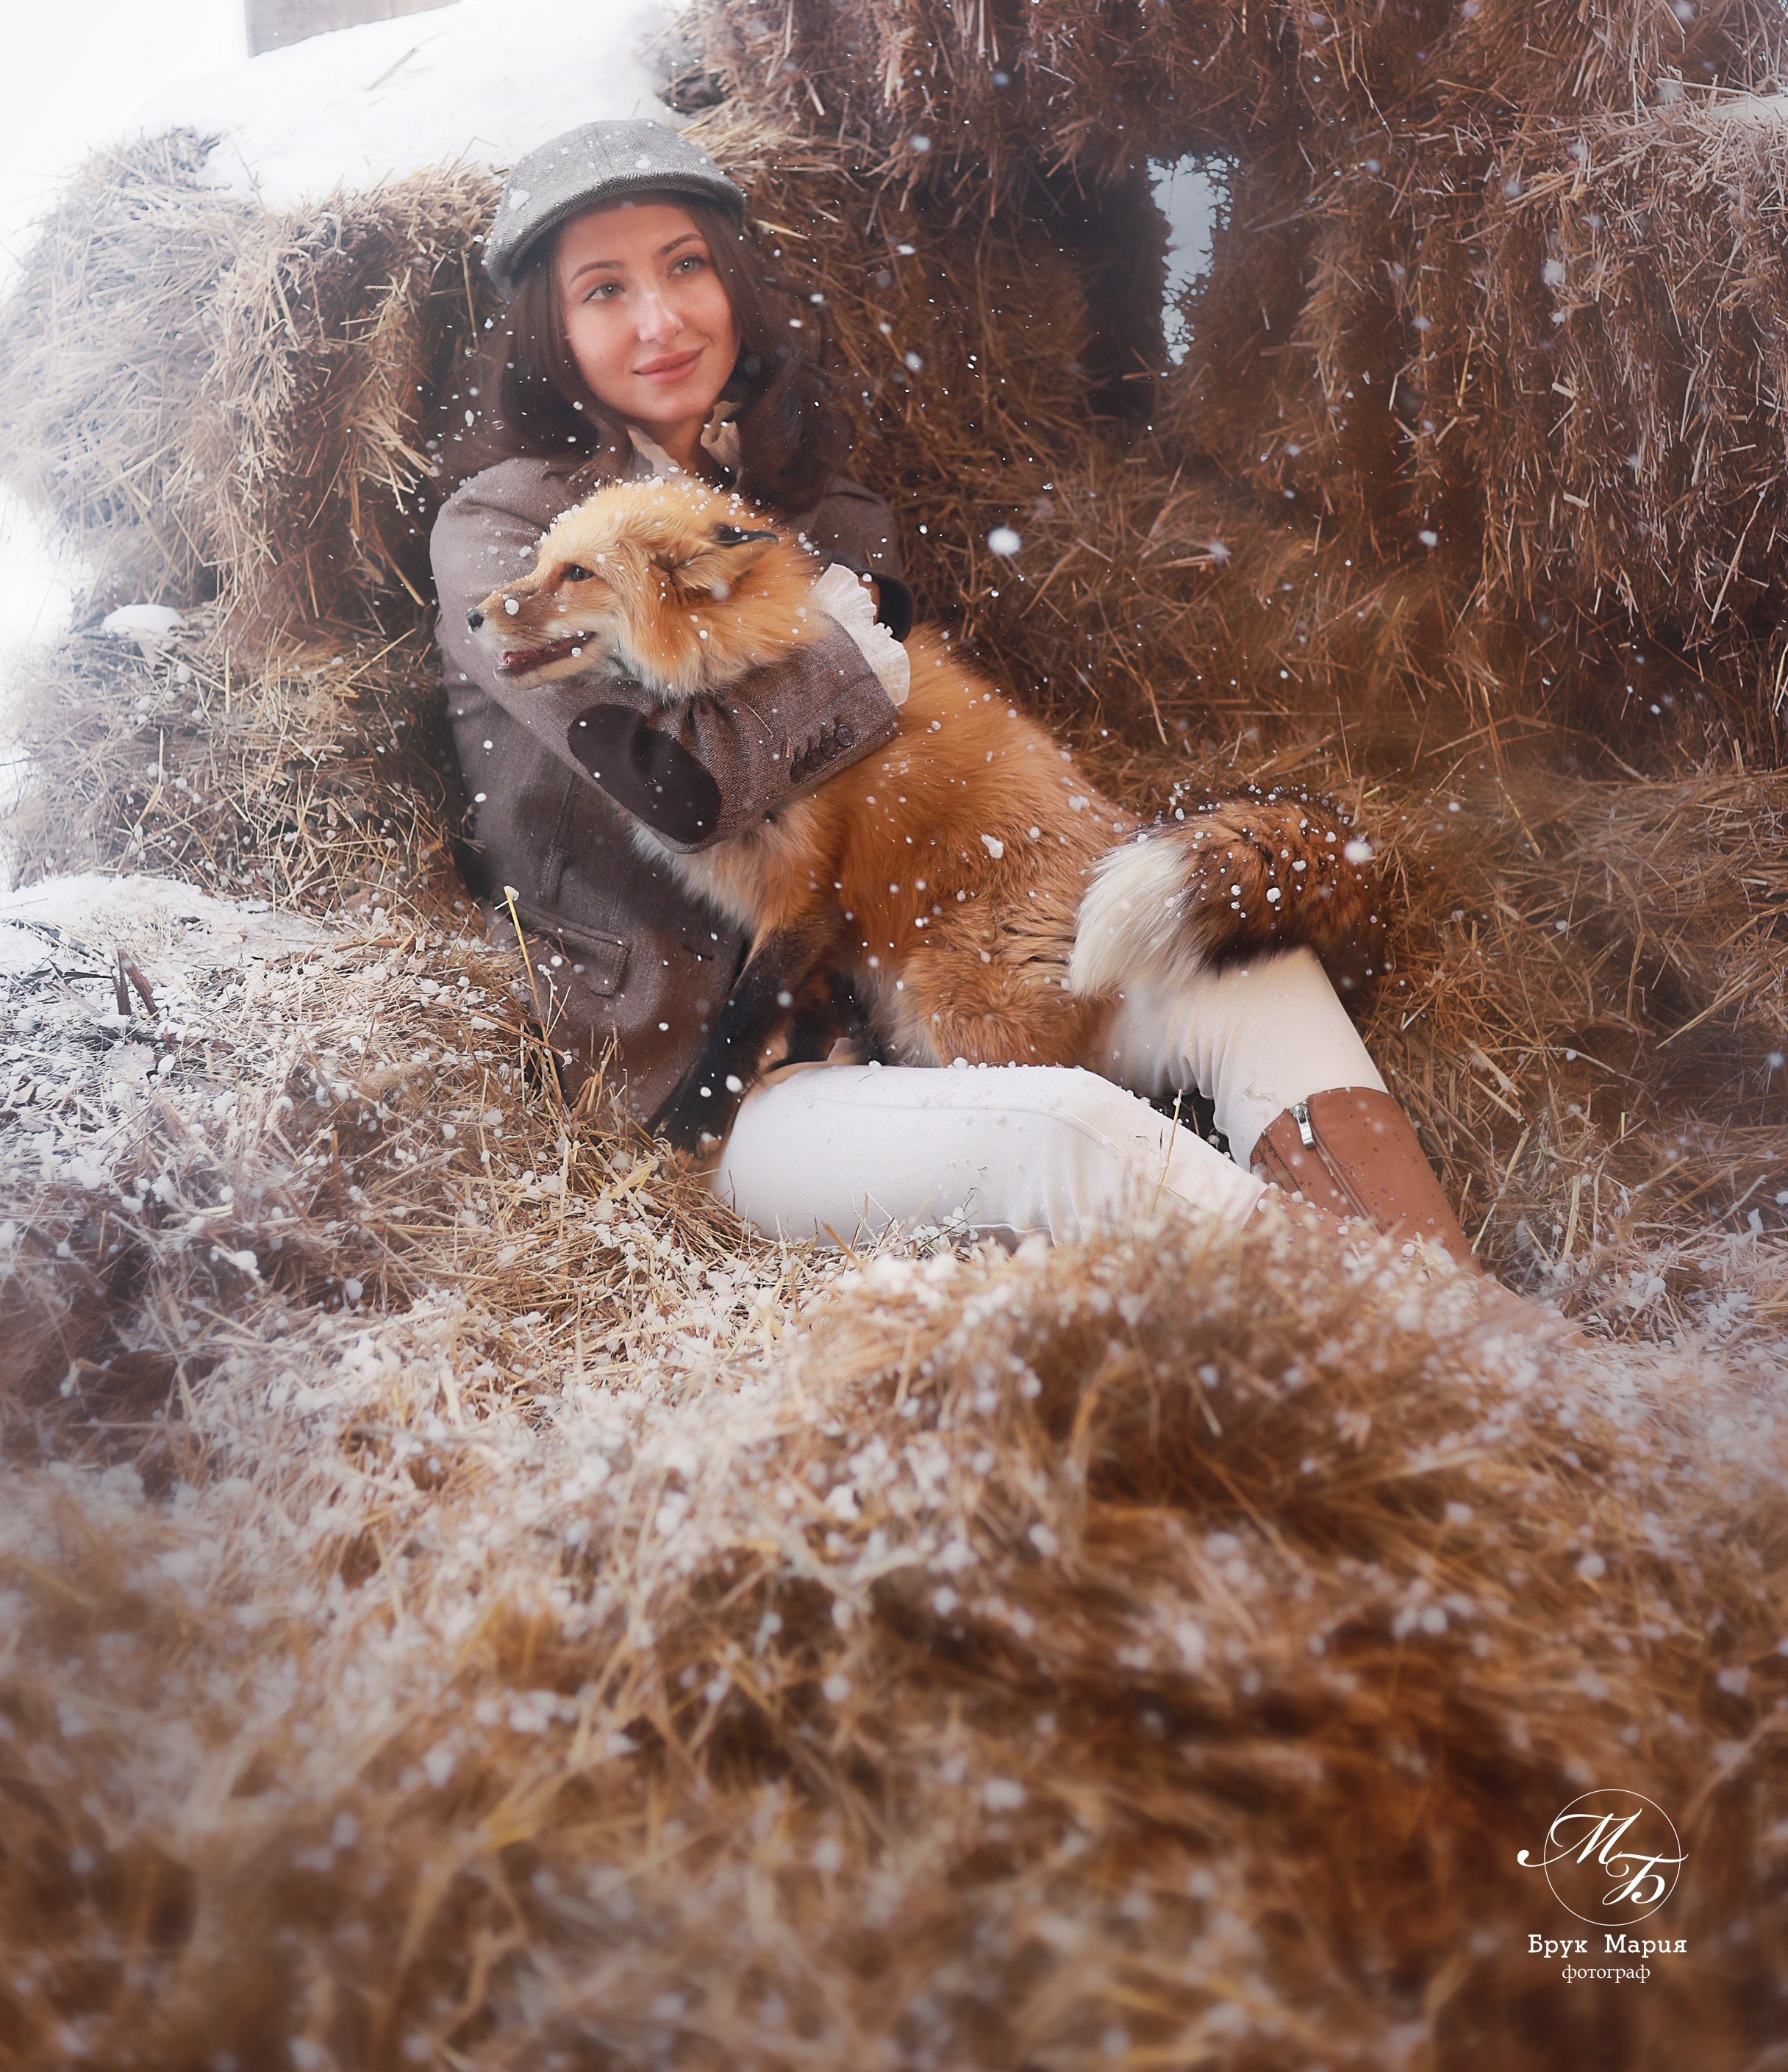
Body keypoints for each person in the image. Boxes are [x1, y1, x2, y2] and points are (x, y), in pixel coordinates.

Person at [430, 120, 1478, 1266]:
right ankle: (1430, 1338)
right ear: (549, 331)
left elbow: (863, 743)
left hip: (904, 982)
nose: (661, 319)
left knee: (1268, 982)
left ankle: (1445, 1314)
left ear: (734, 279)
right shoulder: (505, 536)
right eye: (603, 290)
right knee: (1060, 1133)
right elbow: (690, 786)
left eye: (687, 265)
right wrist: (854, 647)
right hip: (709, 1072)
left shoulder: (824, 510)